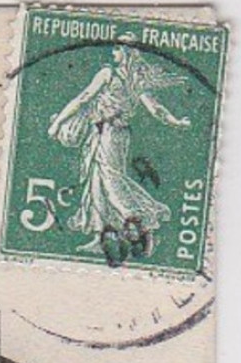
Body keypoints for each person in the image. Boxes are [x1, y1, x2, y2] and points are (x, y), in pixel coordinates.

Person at [48, 43, 191, 254]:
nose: (113, 53)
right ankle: (99, 236)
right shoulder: (136, 80)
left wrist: (57, 122)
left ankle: (139, 220)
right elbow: (156, 109)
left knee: (110, 180)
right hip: (109, 133)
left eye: (117, 49)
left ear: (127, 53)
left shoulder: (109, 73)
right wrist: (175, 121)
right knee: (96, 181)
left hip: (109, 133)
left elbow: (84, 97)